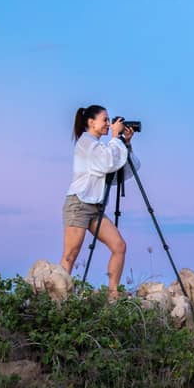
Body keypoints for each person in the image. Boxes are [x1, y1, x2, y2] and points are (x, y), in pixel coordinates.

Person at [60, 104, 136, 299]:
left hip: (96, 207)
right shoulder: (86, 143)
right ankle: (58, 299)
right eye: (105, 120)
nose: (109, 124)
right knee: (70, 255)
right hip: (79, 204)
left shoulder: (101, 146)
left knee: (119, 246)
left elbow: (121, 171)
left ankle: (113, 294)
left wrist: (125, 143)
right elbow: (106, 162)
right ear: (91, 122)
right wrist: (114, 138)